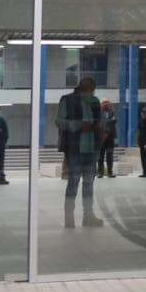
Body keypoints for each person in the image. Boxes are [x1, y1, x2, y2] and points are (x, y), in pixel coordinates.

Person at [58, 77, 103, 227]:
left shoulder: (95, 101)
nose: (90, 92)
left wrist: (100, 127)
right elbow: (59, 121)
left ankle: (88, 216)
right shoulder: (67, 100)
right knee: (74, 181)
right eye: (88, 89)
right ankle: (69, 216)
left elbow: (101, 121)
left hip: (92, 147)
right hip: (75, 147)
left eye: (91, 90)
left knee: (89, 183)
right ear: (82, 88)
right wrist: (78, 125)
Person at [96, 100, 117, 178]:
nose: (105, 105)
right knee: (100, 156)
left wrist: (106, 121)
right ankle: (100, 173)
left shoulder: (112, 112)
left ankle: (110, 173)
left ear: (109, 104)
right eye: (104, 103)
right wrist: (109, 121)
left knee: (109, 155)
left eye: (107, 103)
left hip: (110, 137)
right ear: (101, 104)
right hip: (101, 137)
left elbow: (114, 120)